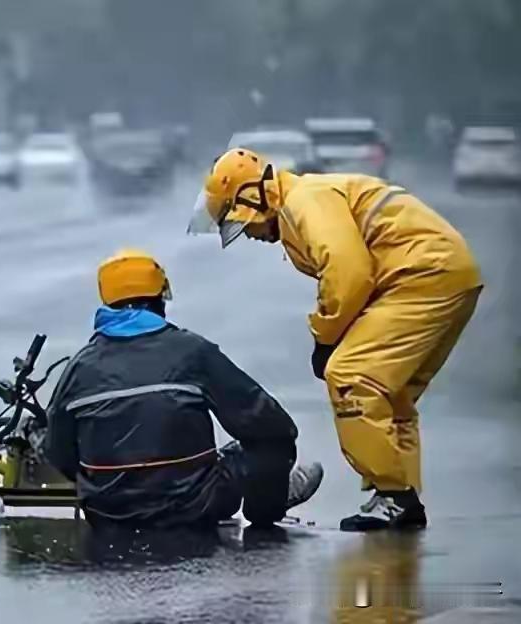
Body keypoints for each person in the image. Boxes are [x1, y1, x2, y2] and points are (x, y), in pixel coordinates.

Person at [188, 148, 483, 531]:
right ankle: (397, 496)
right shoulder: (304, 200)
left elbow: (349, 272)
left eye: (245, 225)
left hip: (422, 273)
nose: (251, 235)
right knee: (389, 394)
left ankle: (395, 496)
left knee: (350, 375)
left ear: (253, 198)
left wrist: (326, 336)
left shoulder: (303, 202)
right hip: (446, 273)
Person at [44, 249, 323, 530]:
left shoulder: (77, 368)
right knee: (274, 440)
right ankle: (267, 508)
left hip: (108, 514)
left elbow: (58, 453)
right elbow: (269, 422)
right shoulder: (193, 352)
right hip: (194, 507)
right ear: (160, 298)